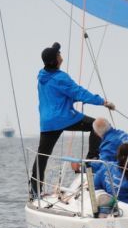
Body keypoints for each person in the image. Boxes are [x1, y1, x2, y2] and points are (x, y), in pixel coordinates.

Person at [30, 42, 115, 198]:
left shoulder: (42, 76)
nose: (61, 55)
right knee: (96, 125)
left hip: (47, 122)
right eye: (58, 54)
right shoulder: (60, 78)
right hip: (64, 118)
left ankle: (34, 191)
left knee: (42, 156)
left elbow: (60, 95)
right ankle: (91, 159)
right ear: (55, 60)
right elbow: (78, 92)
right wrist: (102, 102)